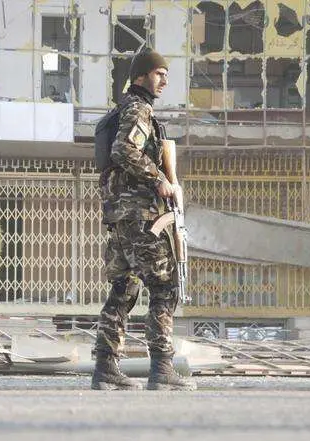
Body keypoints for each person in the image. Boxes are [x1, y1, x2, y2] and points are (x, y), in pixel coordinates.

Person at [91, 48, 196, 391]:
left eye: (166, 74)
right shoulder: (138, 109)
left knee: (124, 288)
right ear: (140, 76)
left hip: (122, 217)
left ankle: (106, 368)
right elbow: (124, 150)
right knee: (164, 286)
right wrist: (159, 179)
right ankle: (162, 368)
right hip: (140, 217)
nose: (164, 79)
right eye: (157, 73)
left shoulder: (125, 108)